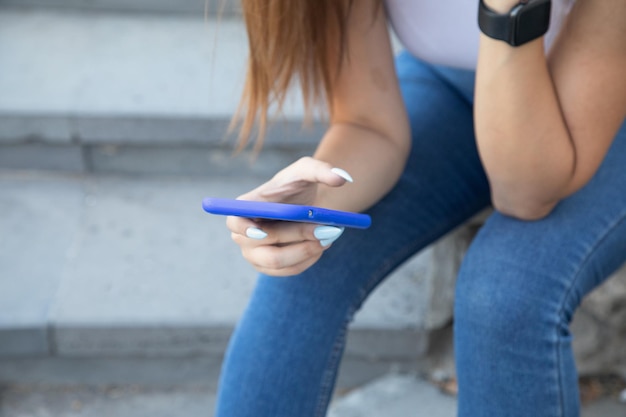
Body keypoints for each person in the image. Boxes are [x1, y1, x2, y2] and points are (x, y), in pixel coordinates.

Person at [215, 0, 626, 416]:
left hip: (608, 103)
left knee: (504, 296)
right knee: (305, 254)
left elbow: (525, 193)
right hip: (457, 81)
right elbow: (368, 124)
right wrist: (314, 203)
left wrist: (509, 12)